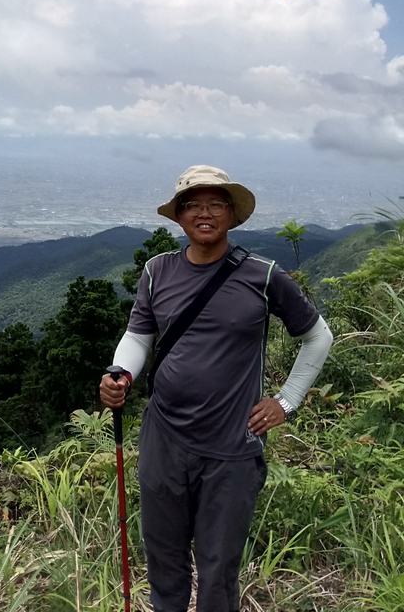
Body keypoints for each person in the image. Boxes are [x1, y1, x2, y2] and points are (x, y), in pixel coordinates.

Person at [100, 165, 333, 612]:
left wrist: (288, 400)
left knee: (218, 567)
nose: (204, 213)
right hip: (164, 437)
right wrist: (121, 373)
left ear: (231, 213)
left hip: (232, 446)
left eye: (215, 203)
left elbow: (318, 335)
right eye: (193, 204)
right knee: (163, 557)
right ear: (180, 215)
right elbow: (139, 336)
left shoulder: (263, 276)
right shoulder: (156, 272)